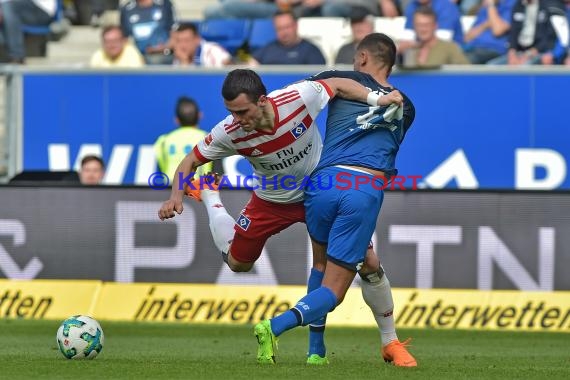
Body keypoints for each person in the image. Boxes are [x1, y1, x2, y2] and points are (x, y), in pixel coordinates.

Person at [157, 68, 415, 366]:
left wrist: (375, 99)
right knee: (239, 263)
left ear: (263, 100)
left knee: (365, 263)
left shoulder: (297, 98)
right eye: (232, 112)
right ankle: (212, 198)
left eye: (243, 111)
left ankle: (355, 345)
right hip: (271, 201)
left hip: (317, 193)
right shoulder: (229, 132)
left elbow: (337, 84)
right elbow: (190, 160)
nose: (238, 119)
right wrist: (175, 196)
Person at [253, 33, 416, 367]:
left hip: (322, 183)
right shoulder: (407, 107)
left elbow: (294, 97)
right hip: (361, 188)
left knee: (339, 264)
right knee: (336, 289)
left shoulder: (340, 81)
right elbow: (384, 159)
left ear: (363, 57)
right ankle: (274, 326)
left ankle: (318, 351)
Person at [487, 0, 569, 65]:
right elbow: (514, 32)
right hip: (520, 53)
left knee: (524, 68)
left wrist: (531, 54)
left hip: (539, 52)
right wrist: (512, 52)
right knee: (492, 66)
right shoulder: (518, 5)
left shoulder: (550, 5)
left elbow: (551, 36)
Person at [154, 96, 213, 179]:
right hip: (199, 190)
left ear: (176, 120)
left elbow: (160, 172)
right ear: (200, 115)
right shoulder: (209, 139)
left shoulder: (163, 141)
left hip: (170, 190)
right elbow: (217, 175)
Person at [249, 10, 326, 65]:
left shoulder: (311, 50)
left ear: (296, 25)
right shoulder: (268, 48)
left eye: (287, 27)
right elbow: (252, 64)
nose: (284, 32)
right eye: (279, 28)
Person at [400, 6, 469, 66]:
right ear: (414, 26)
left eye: (426, 25)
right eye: (419, 25)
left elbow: (467, 72)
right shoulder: (409, 49)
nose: (423, 29)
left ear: (435, 26)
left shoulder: (449, 48)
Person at [120, 0, 175, 65]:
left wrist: (161, 48)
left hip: (162, 54)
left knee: (155, 60)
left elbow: (175, 36)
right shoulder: (126, 9)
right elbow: (124, 39)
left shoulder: (165, 4)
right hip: (137, 58)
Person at [463, 0, 515, 64]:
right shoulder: (485, 8)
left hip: (493, 50)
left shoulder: (511, 4)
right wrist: (486, 24)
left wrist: (491, 5)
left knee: (463, 61)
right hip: (471, 48)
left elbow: (497, 31)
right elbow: (467, 38)